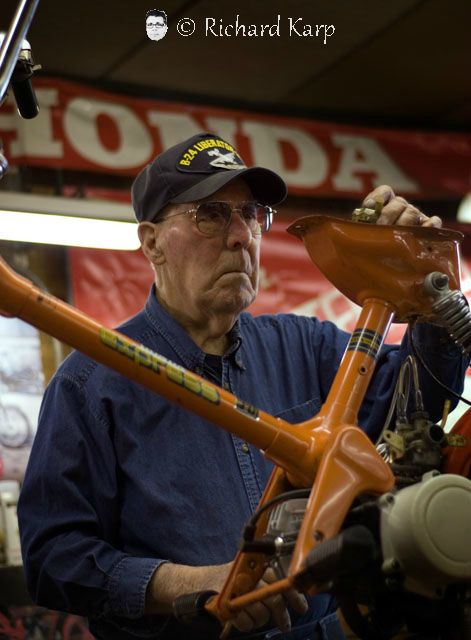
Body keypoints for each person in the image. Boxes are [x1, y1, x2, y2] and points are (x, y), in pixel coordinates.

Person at [18, 133, 467, 640]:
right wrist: (199, 585)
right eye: (211, 214)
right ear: (151, 242)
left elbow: (416, 408)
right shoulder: (90, 382)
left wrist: (431, 287)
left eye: (252, 214)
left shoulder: (305, 345)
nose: (241, 235)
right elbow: (54, 560)